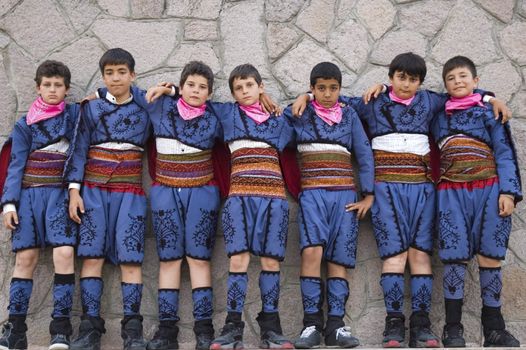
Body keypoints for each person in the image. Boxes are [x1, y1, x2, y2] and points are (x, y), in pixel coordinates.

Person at [292, 52, 510, 348]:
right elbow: (334, 100)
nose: (406, 84)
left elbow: (459, 96)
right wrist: (306, 94)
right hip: (384, 190)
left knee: (420, 255)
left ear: (420, 82)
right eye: (400, 77)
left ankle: (421, 325)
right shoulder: (372, 102)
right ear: (391, 77)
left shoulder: (431, 103)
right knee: (394, 255)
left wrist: (489, 98)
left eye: (413, 79)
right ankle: (393, 326)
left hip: (422, 189)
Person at [431, 55, 522, 348]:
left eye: (463, 76)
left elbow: (504, 152)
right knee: (453, 255)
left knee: (490, 254)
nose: (458, 82)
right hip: (450, 192)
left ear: (475, 81)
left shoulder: (488, 112)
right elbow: (407, 95)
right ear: (445, 85)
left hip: (490, 189)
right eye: (451, 78)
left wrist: (508, 192)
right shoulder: (437, 111)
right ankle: (453, 328)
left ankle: (493, 329)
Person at [132, 61, 223, 350]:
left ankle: (204, 331)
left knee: (198, 258)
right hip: (165, 191)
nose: (196, 91)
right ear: (181, 87)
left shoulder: (216, 116)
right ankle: (167, 332)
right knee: (169, 258)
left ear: (209, 93)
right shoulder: (160, 106)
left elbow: (247, 111)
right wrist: (96, 95)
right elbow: (125, 92)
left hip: (202, 191)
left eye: (203, 87)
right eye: (191, 85)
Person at [284, 62, 374, 349]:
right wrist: (300, 100)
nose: (327, 94)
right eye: (320, 88)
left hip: (345, 197)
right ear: (312, 88)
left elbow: (364, 153)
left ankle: (336, 325)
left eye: (333, 88)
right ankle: (311, 324)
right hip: (312, 194)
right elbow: (279, 132)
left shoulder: (349, 116)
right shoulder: (300, 112)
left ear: (340, 89)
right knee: (312, 252)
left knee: (338, 259)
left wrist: (369, 194)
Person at [66, 48, 150, 350]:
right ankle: (90, 329)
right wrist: (74, 190)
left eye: (122, 72)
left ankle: (133, 332)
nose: (116, 78)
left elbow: (173, 103)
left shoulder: (146, 107)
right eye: (109, 73)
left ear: (132, 75)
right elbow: (78, 149)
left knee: (131, 259)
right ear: (103, 76)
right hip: (92, 191)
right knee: (92, 256)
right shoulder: (89, 109)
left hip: (130, 191)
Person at [206, 64, 294, 350]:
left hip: (273, 200)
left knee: (270, 262)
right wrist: (170, 88)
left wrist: (298, 98)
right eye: (238, 88)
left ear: (260, 86)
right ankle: (232, 327)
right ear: (232, 93)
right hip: (239, 199)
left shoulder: (279, 119)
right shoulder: (227, 113)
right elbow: (191, 101)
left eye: (249, 86)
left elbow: (310, 111)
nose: (245, 92)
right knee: (238, 260)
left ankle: (271, 328)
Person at [0, 60, 79, 350]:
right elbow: (15, 165)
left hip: (60, 196)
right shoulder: (25, 124)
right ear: (38, 87)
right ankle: (16, 330)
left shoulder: (74, 117)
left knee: (64, 254)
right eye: (47, 84)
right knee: (25, 259)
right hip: (29, 198)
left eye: (58, 85)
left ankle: (60, 330)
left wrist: (74, 190)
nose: (52, 90)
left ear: (66, 90)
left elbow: (79, 152)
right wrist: (9, 204)